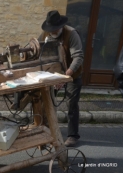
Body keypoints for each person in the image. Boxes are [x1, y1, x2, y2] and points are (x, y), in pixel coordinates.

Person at [38, 10, 84, 147]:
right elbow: (38, 53)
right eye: (50, 30)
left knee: (72, 104)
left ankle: (72, 135)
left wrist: (64, 77)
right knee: (48, 102)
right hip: (53, 73)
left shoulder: (71, 34)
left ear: (60, 26)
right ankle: (47, 131)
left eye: (55, 30)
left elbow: (78, 57)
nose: (52, 32)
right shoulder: (46, 34)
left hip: (72, 73)